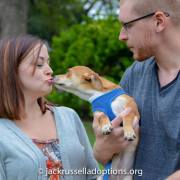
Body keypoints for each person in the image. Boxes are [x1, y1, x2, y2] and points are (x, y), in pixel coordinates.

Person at [93, 0, 180, 179]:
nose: (121, 36)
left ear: (159, 21)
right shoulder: (134, 75)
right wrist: (102, 147)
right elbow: (105, 157)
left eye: (127, 25)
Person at [0, 35, 98, 180]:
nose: (50, 70)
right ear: (10, 71)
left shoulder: (69, 117)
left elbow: (93, 176)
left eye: (48, 63)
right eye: (39, 64)